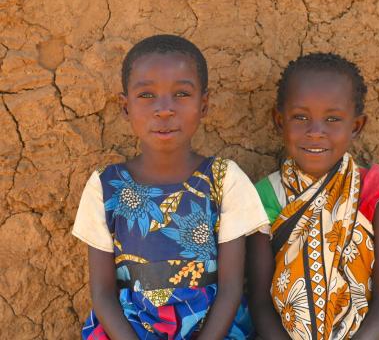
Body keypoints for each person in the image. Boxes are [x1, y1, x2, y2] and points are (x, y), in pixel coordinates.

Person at [72, 34, 269, 340]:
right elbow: (102, 295)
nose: (164, 109)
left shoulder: (224, 179)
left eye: (181, 94)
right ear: (125, 107)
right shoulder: (104, 187)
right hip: (128, 329)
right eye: (147, 95)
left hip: (213, 329)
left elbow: (230, 290)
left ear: (204, 105)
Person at [247, 53, 379, 340]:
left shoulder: (376, 190)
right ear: (279, 121)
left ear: (356, 126)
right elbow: (259, 302)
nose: (316, 132)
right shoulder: (266, 195)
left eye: (332, 119)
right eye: (301, 117)